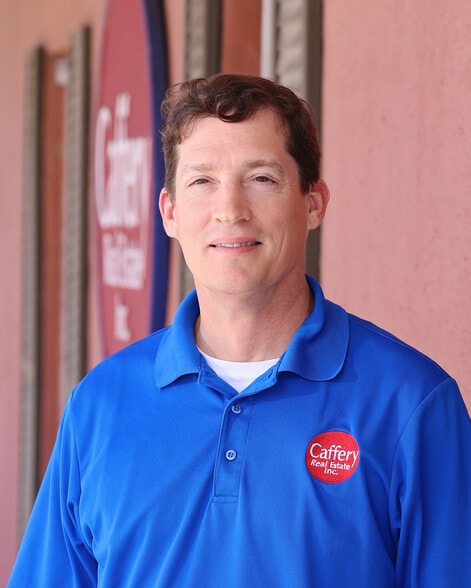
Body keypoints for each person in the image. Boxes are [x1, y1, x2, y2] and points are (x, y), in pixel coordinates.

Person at [8, 74, 471, 587]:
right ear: (170, 212)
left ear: (313, 203)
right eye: (202, 181)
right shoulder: (100, 404)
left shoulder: (410, 404)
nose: (230, 210)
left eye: (262, 179)